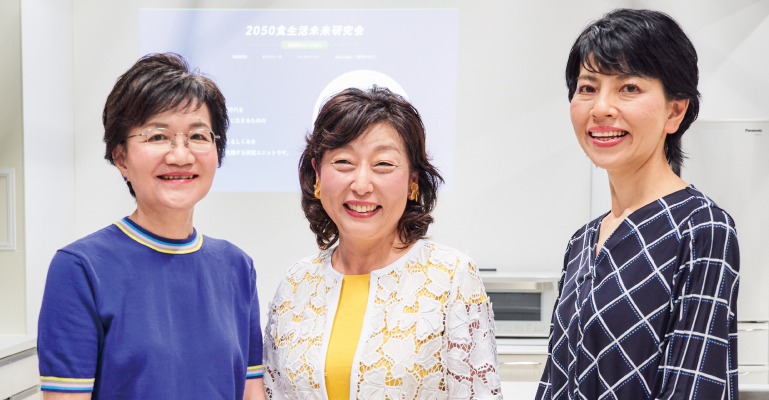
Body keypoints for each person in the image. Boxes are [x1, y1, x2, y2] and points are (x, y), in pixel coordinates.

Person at [536, 9, 740, 400]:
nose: (601, 108)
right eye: (587, 87)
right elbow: (555, 382)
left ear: (675, 110)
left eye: (629, 87)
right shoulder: (582, 241)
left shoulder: (701, 227)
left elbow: (694, 385)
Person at [37, 53, 265, 400]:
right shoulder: (80, 268)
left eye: (198, 136)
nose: (180, 155)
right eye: (158, 136)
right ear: (121, 157)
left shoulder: (237, 267)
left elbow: (251, 392)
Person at [263, 86, 501, 399]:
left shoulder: (451, 278)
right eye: (344, 161)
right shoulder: (295, 284)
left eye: (384, 164)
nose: (362, 185)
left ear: (413, 181)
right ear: (317, 174)